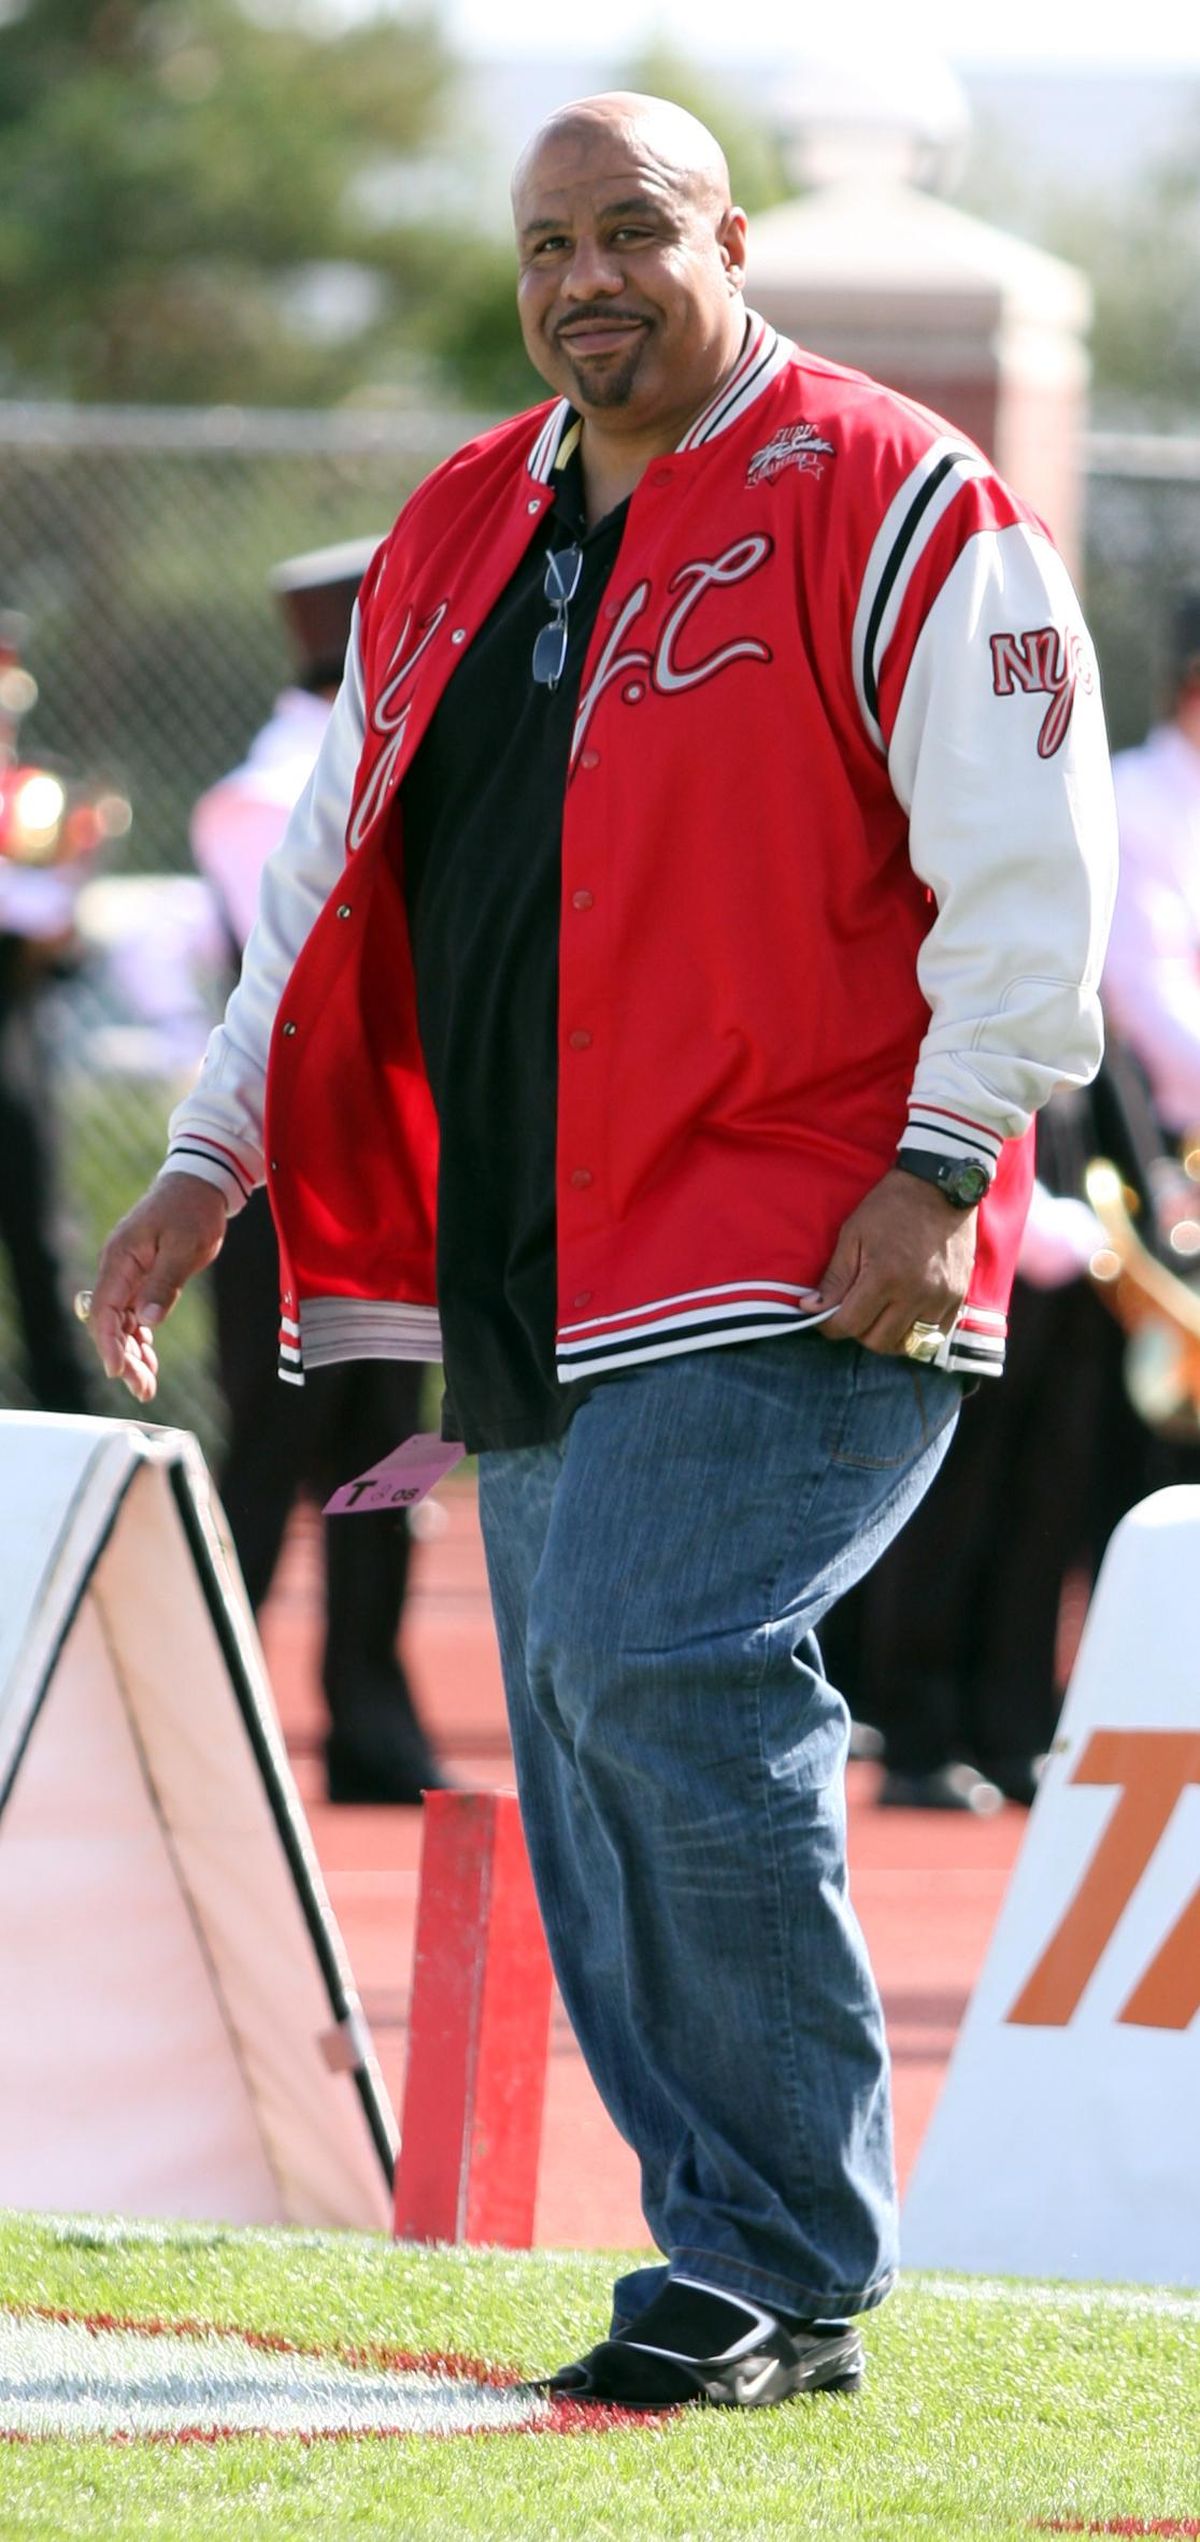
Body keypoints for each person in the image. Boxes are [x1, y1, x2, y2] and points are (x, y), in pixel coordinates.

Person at [87, 94, 1116, 2411]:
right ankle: (730, 2258)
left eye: (632, 231)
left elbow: (1029, 866)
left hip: (813, 1232)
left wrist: (944, 1154)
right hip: (533, 1262)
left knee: (664, 1661)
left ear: (725, 238)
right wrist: (209, 1154)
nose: (587, 281)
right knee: (577, 1728)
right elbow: (318, 887)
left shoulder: (901, 499)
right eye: (547, 243)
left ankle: (781, 2251)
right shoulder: (457, 524)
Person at [191, 541, 448, 1806]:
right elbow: (308, 961)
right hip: (283, 1180)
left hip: (389, 1170)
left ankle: (370, 1709)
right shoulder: (265, 790)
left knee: (389, 1459)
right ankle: (205, 1716)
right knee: (268, 1451)